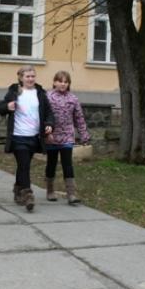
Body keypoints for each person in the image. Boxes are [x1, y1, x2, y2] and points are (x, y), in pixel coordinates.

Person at [0, 65, 54, 212]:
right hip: (18, 136)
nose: (30, 79)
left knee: (24, 165)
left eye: (33, 76)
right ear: (21, 78)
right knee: (24, 165)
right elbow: (0, 108)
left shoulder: (40, 93)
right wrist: (7, 106)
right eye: (27, 76)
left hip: (34, 137)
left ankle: (18, 190)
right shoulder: (14, 91)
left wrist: (49, 124)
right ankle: (28, 195)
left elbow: (49, 112)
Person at [45, 70, 90, 204]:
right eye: (60, 81)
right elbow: (43, 115)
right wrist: (45, 132)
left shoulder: (73, 99)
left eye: (66, 82)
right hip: (51, 136)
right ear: (54, 82)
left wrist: (84, 134)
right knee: (51, 163)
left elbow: (79, 118)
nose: (63, 84)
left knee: (67, 164)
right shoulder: (48, 97)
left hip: (67, 136)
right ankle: (50, 190)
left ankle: (71, 194)